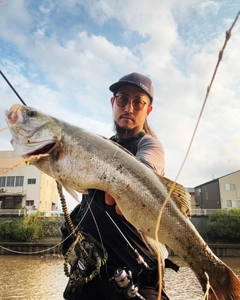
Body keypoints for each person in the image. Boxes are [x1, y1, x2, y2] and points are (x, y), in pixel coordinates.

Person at [61, 72, 176, 300]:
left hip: (135, 282)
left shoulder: (150, 145)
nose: (129, 108)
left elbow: (143, 174)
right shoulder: (101, 147)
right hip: (89, 281)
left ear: (148, 110)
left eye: (138, 102)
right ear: (113, 103)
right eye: (123, 100)